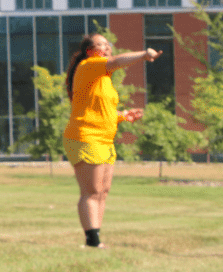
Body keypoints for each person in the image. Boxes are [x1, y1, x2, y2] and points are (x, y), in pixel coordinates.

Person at [62, 34, 162, 248]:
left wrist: (123, 115)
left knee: (103, 191)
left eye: (109, 45)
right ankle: (92, 241)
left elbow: (100, 109)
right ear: (90, 51)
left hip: (104, 139)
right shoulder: (89, 65)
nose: (107, 48)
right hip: (86, 137)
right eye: (102, 45)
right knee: (91, 191)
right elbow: (117, 61)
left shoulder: (102, 78)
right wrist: (144, 55)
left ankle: (96, 237)